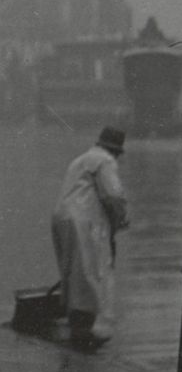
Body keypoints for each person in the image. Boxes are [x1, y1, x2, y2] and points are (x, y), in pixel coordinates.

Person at [51, 127, 128, 347]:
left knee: (72, 271)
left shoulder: (80, 159)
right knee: (89, 271)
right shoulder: (105, 161)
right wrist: (120, 220)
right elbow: (114, 196)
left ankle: (75, 321)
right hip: (83, 219)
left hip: (62, 217)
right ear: (115, 150)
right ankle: (83, 329)